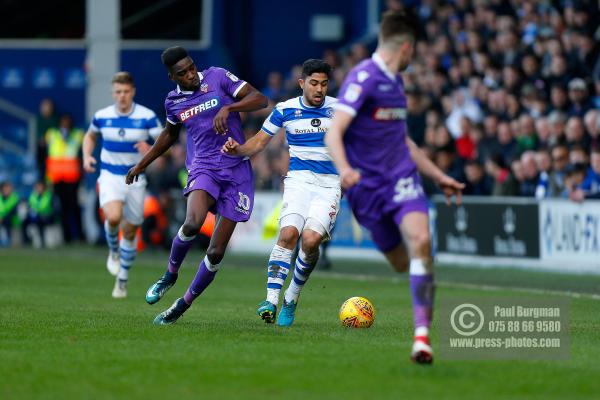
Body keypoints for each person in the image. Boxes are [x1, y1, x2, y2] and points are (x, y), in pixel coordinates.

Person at [325, 11, 464, 364]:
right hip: (366, 189)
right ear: (405, 47)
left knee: (422, 241)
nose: (413, 57)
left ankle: (422, 338)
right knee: (402, 263)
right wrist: (344, 170)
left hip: (401, 179)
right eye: (413, 50)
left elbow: (404, 142)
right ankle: (420, 319)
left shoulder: (396, 83)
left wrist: (438, 175)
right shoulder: (364, 78)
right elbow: (334, 131)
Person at [126, 46, 268, 324]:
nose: (191, 74)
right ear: (172, 77)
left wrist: (230, 107)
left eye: (192, 67)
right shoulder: (173, 102)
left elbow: (259, 99)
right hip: (204, 166)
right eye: (183, 73)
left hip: (236, 169)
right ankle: (170, 274)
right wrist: (142, 164)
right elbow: (169, 135)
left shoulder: (217, 77)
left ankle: (181, 306)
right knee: (192, 222)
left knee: (215, 253)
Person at [222, 59, 339, 326]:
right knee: (288, 234)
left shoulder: (340, 110)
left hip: (329, 184)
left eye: (323, 84)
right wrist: (237, 149)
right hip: (298, 181)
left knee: (310, 242)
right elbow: (259, 143)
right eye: (313, 83)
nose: (319, 89)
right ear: (302, 84)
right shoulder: (285, 110)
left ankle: (292, 297)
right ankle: (271, 301)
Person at [82, 71, 162, 298]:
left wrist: (151, 151)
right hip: (109, 175)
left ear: (133, 92)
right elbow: (90, 136)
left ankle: (122, 280)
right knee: (114, 217)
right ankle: (114, 252)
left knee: (130, 230)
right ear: (112, 92)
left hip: (136, 178)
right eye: (118, 92)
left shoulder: (146, 116)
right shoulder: (102, 116)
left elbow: (162, 142)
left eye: (126, 91)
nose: (122, 96)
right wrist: (86, 157)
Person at [45, 114, 84, 243]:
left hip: (72, 178)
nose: (65, 125)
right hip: (56, 178)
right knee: (60, 208)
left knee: (74, 207)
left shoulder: (78, 135)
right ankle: (65, 236)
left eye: (68, 122)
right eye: (63, 122)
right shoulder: (51, 134)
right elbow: (42, 151)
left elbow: (83, 154)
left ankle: (79, 235)